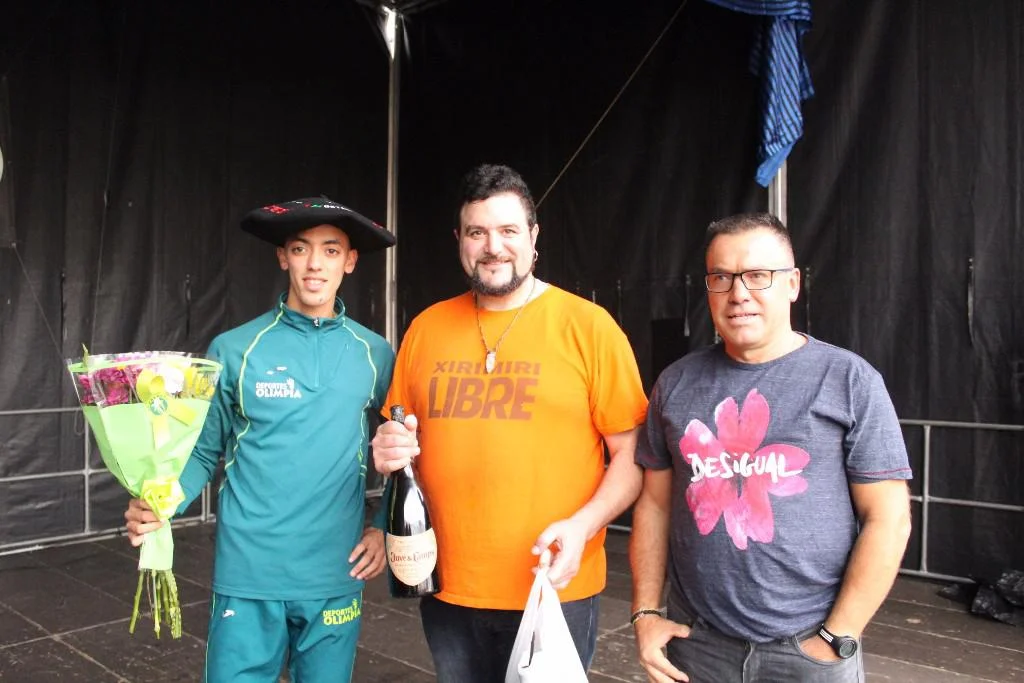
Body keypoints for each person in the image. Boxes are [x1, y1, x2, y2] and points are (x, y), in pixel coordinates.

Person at [370, 163, 649, 681]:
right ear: (459, 241)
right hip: (447, 585)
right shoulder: (427, 328)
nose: (492, 247)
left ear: (534, 238)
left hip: (554, 585)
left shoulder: (589, 327)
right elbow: (401, 436)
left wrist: (583, 526)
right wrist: (387, 449)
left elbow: (633, 457)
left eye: (508, 231)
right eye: (477, 232)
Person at [630, 212, 913, 683]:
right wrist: (644, 614)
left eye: (758, 275)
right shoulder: (675, 384)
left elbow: (889, 517)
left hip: (809, 651)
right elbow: (655, 505)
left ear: (792, 284)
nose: (738, 293)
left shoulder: (849, 380)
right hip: (696, 646)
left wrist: (837, 636)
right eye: (722, 277)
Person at [124, 197, 396, 683]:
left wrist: (381, 527)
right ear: (282, 257)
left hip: (334, 574)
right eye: (301, 248)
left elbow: (405, 451)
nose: (315, 264)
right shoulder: (233, 349)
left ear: (350, 261)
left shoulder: (374, 353)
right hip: (248, 574)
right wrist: (161, 504)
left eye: (331, 250)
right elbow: (204, 450)